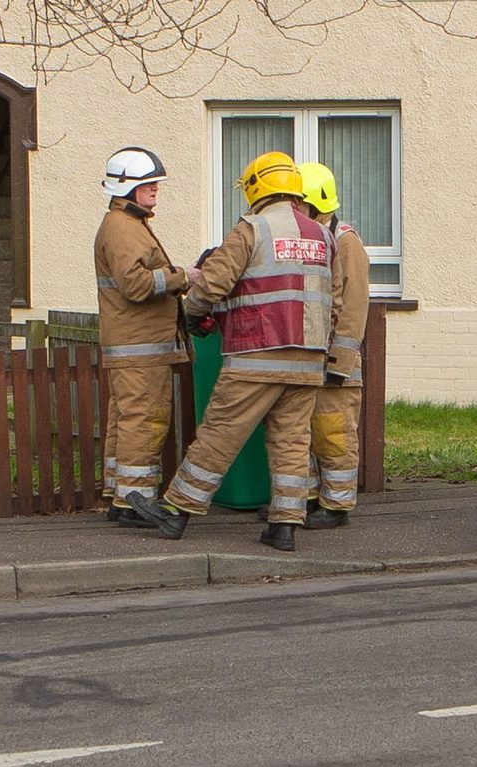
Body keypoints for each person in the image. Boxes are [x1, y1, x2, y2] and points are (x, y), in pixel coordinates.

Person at [129, 152, 330, 549]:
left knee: (221, 432)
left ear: (256, 187)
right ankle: (284, 525)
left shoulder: (251, 229)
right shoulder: (321, 235)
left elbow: (213, 283)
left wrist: (192, 312)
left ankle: (176, 511)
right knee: (292, 440)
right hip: (309, 357)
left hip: (257, 353)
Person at [94, 147, 189, 526]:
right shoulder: (123, 228)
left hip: (132, 346)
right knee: (145, 419)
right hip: (140, 348)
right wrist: (184, 277)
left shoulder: (126, 224)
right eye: (148, 185)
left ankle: (121, 498)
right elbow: (135, 285)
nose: (155, 191)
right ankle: (137, 501)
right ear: (128, 188)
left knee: (127, 418)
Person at [297, 162, 372, 528]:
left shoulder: (346, 242)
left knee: (334, 432)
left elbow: (354, 306)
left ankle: (337, 505)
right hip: (308, 358)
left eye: (298, 203)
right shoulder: (311, 238)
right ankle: (308, 498)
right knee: (305, 431)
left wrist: (339, 363)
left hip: (335, 363)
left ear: (316, 205)